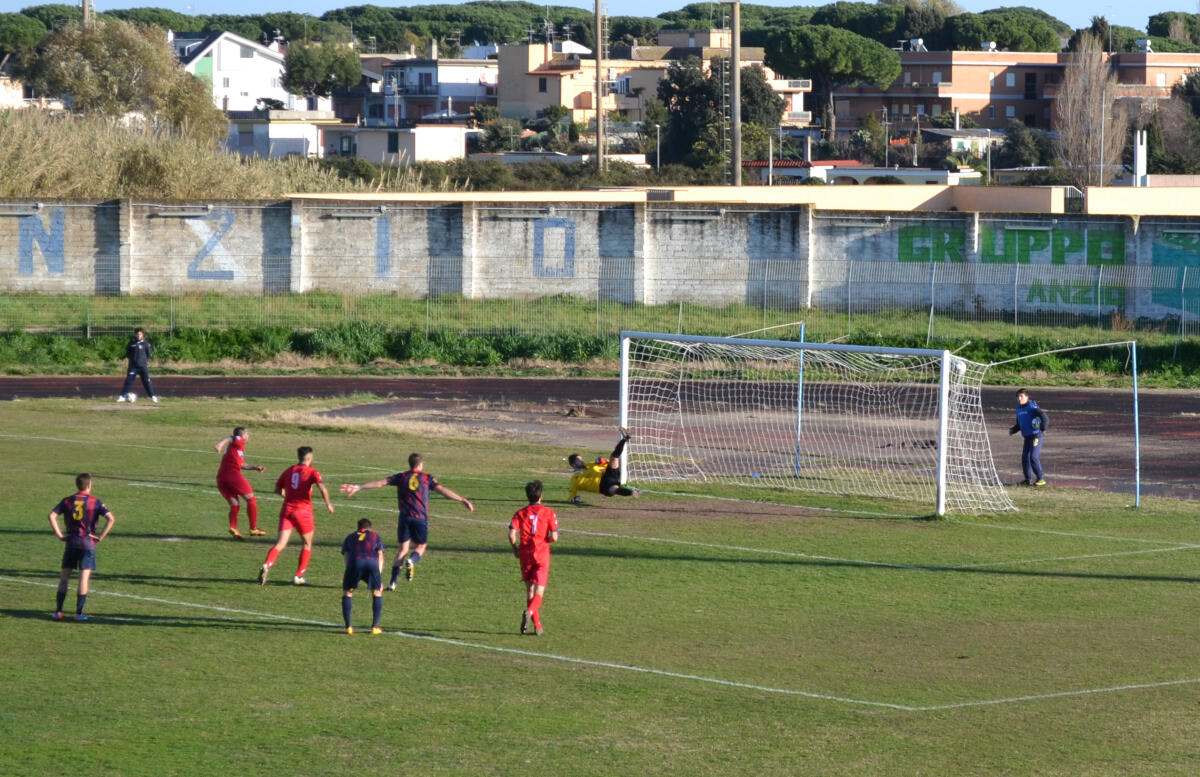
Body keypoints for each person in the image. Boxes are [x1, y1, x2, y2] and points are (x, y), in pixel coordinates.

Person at [340, 452, 473, 590]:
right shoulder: (427, 478)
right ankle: (412, 560)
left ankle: (392, 583)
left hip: (404, 518)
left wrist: (358, 487)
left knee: (402, 550)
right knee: (421, 546)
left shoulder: (401, 476)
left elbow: (380, 483)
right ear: (420, 464)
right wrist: (462, 499)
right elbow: (443, 491)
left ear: (409, 464)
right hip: (420, 518)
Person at [259, 446, 334, 586]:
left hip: (287, 510)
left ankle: (267, 565)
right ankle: (299, 576)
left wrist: (288, 497)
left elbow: (277, 489)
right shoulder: (312, 472)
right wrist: (328, 504)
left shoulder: (289, 470)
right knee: (307, 543)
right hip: (303, 512)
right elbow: (322, 488)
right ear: (310, 458)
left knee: (280, 543)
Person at [48, 473, 116, 621]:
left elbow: (52, 515)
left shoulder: (67, 501)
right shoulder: (95, 502)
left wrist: (60, 535)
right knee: (83, 579)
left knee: (64, 577)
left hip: (71, 543)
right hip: (88, 544)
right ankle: (78, 613)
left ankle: (58, 611)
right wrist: (100, 537)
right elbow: (111, 518)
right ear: (89, 485)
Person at [508, 480, 558, 636]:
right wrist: (546, 540)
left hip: (525, 554)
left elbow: (511, 533)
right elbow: (555, 537)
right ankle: (529, 613)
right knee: (539, 592)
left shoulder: (520, 513)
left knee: (529, 591)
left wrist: (515, 548)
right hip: (542, 554)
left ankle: (537, 626)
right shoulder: (549, 512)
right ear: (541, 496)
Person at [215, 426, 267, 539]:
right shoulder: (239, 441)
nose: (249, 435)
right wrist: (220, 444)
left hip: (221, 478)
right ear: (242, 436)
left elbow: (242, 464)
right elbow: (229, 437)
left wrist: (255, 467)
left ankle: (233, 528)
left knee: (235, 504)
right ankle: (253, 529)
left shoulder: (237, 448)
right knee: (251, 499)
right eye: (247, 433)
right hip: (232, 475)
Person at [568, 427, 639, 505]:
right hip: (602, 486)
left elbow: (607, 462)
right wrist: (574, 499)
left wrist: (603, 461)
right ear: (573, 464)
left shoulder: (591, 464)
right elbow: (572, 493)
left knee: (613, 458)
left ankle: (625, 439)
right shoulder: (575, 478)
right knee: (614, 489)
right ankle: (632, 492)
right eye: (579, 460)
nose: (582, 461)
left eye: (581, 459)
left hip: (609, 475)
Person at [341, 518, 385, 635]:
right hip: (372, 563)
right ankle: (374, 627)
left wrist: (349, 570)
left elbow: (347, 555)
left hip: (355, 562)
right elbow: (380, 555)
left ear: (358, 527)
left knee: (348, 592)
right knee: (377, 592)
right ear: (370, 527)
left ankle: (348, 627)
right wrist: (378, 576)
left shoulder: (350, 537)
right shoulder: (375, 536)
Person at [1009, 389, 1049, 487]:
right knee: (1025, 458)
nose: (1019, 398)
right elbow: (1019, 424)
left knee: (1033, 457)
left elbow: (1044, 417)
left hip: (1036, 436)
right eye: (1018, 397)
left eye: (1021, 396)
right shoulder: (1018, 409)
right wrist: (1013, 430)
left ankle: (1041, 479)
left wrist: (1043, 427)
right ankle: (1028, 480)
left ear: (1027, 397)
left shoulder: (1032, 407)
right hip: (1027, 437)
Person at [117, 327, 158, 403]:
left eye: (140, 334)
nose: (138, 336)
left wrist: (144, 362)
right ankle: (122, 396)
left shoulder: (146, 344)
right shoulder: (131, 343)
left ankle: (153, 396)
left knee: (147, 382)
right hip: (133, 367)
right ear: (135, 334)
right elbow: (128, 354)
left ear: (143, 335)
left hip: (143, 367)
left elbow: (148, 355)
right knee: (128, 382)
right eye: (137, 334)